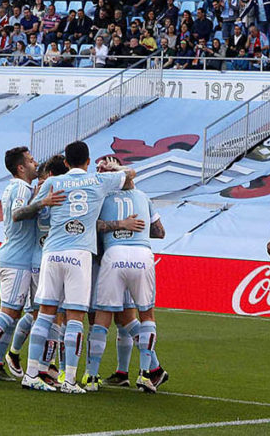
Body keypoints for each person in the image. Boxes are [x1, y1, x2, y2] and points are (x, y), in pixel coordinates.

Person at [18, 140, 135, 393]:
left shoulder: (52, 182)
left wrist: (43, 202)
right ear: (89, 162)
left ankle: (30, 374)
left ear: (67, 162)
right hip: (79, 254)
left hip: (51, 252)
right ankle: (69, 380)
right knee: (75, 318)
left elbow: (28, 211)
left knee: (45, 314)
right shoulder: (98, 180)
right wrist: (112, 168)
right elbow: (130, 176)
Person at [0, 147, 64, 384]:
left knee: (15, 314)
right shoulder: (19, 187)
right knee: (9, 312)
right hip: (16, 259)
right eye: (30, 160)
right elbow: (18, 213)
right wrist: (43, 202)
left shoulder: (22, 187)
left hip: (18, 257)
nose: (35, 162)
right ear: (20, 167)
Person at [85, 155, 166, 393]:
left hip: (112, 255)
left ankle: (91, 376)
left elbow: (91, 225)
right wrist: (135, 229)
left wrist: (117, 227)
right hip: (142, 254)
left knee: (102, 317)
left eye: (104, 168)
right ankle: (145, 373)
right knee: (144, 315)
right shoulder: (143, 197)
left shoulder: (99, 195)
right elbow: (160, 232)